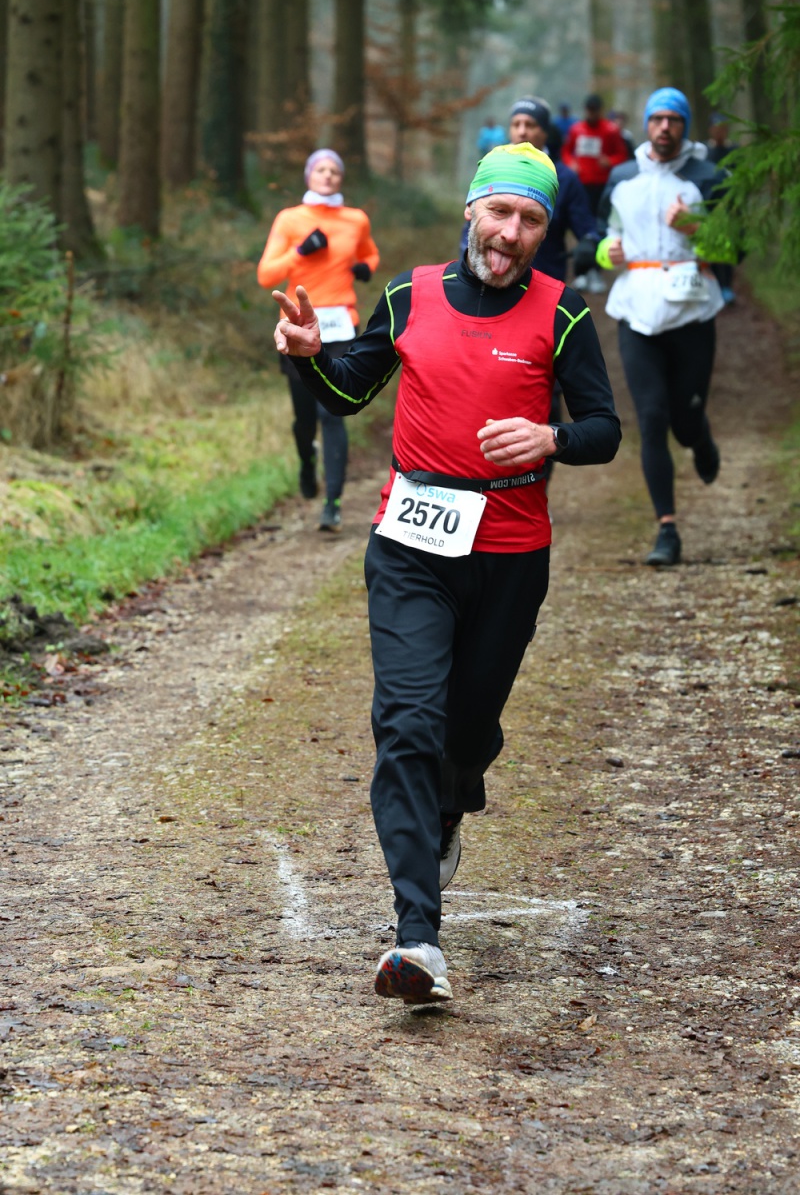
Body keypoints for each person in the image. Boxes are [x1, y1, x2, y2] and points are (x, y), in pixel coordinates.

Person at [272, 143, 621, 1005]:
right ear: (472, 211)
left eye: (531, 219)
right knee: (407, 724)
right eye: (500, 212)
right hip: (411, 543)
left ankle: (455, 801)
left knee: (465, 733)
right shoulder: (411, 294)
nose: (511, 233)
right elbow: (350, 390)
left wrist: (551, 437)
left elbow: (605, 429)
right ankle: (417, 938)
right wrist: (310, 356)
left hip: (509, 552)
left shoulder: (562, 311)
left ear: (543, 230)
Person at [596, 87, 726, 567]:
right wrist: (603, 251)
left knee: (684, 423)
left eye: (674, 119)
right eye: (657, 119)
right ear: (647, 124)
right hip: (637, 311)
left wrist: (698, 229)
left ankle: (700, 437)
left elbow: (734, 249)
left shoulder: (709, 177)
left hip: (692, 311)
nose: (665, 127)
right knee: (651, 418)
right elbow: (605, 232)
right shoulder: (622, 177)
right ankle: (666, 529)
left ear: (685, 126)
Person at [459, 97, 600, 486]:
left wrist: (590, 245)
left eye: (531, 125)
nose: (522, 131)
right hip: (489, 294)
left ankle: (534, 486)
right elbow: (470, 234)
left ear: (545, 131)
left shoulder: (565, 178)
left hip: (541, 299)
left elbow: (587, 227)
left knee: (541, 395)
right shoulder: (494, 169)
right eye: (517, 123)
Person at [257, 148, 380, 532]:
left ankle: (333, 503)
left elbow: (370, 254)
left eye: (334, 171)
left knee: (333, 411)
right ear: (309, 175)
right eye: (320, 169)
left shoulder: (355, 219)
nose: (328, 175)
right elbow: (266, 275)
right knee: (306, 418)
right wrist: (300, 252)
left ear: (341, 178)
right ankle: (307, 461)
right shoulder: (290, 219)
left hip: (341, 327)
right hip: (297, 327)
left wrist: (365, 268)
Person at [561, 95, 629, 292]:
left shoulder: (610, 130)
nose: (591, 114)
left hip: (601, 187)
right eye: (589, 110)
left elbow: (621, 154)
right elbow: (566, 152)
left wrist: (609, 161)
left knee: (599, 228)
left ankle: (596, 271)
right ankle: (581, 271)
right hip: (581, 186)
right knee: (580, 228)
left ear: (600, 110)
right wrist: (571, 163)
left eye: (595, 110)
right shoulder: (576, 130)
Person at [706, 114, 738, 304]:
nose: (719, 132)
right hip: (709, 208)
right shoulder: (705, 152)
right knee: (711, 246)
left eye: (723, 128)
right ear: (711, 129)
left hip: (730, 206)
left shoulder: (734, 151)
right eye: (716, 128)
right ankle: (715, 285)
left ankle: (727, 286)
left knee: (728, 245)